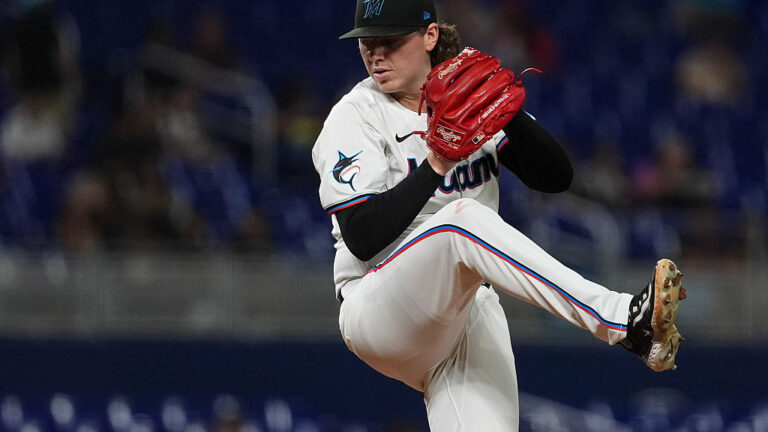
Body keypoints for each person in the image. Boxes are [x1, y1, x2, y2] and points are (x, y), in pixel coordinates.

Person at [311, 1, 687, 430]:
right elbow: (362, 236)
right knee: (461, 220)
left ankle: (635, 330)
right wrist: (437, 163)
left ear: (429, 36)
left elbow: (555, 177)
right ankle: (622, 320)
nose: (375, 54)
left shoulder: (463, 94)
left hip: (465, 310)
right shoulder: (355, 116)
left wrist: (506, 111)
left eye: (390, 41)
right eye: (367, 43)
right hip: (379, 306)